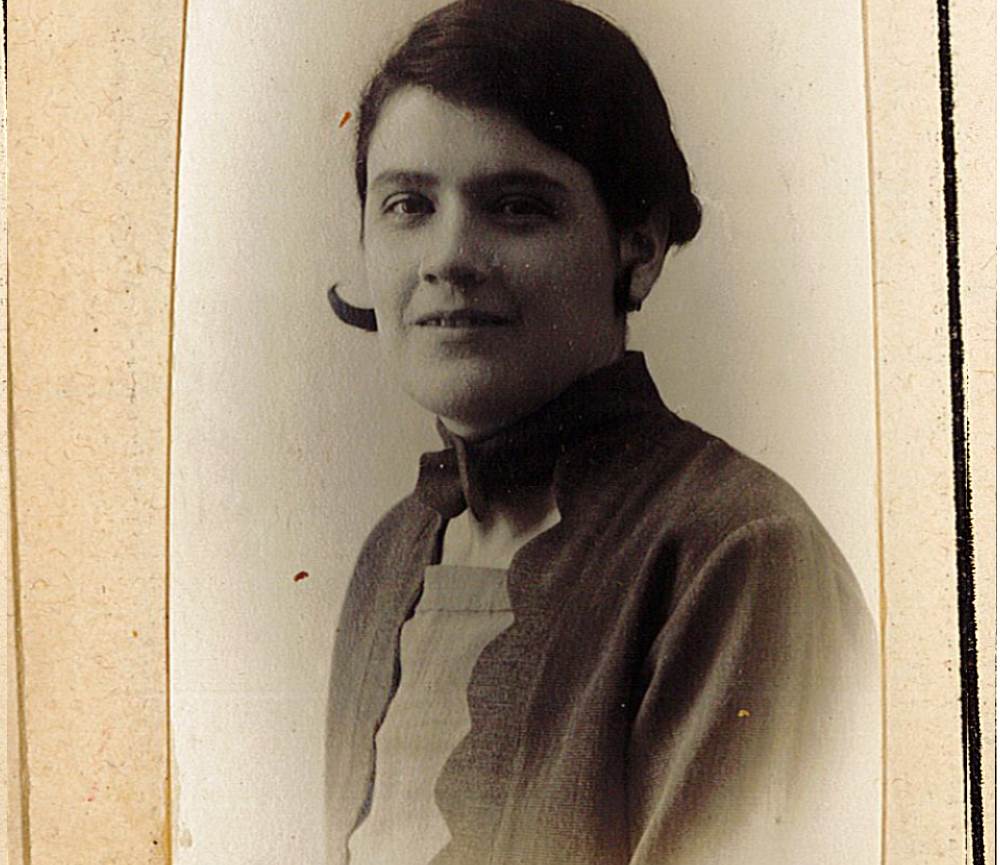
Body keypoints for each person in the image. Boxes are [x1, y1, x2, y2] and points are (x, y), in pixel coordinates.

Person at [324, 1, 878, 863]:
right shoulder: (391, 558)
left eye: (517, 207)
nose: (448, 256)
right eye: (408, 204)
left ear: (639, 248)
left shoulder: (738, 554)